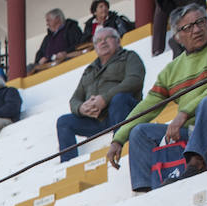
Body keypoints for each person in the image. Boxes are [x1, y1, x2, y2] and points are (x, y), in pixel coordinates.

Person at [107, 4, 207, 189]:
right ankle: (147, 191)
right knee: (140, 132)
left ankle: (196, 164)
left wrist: (183, 113)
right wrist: (118, 138)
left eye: (200, 22)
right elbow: (148, 106)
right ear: (177, 36)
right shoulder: (172, 69)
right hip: (190, 131)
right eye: (188, 27)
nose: (197, 30)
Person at [56, 27, 147, 161]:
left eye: (107, 38)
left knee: (119, 99)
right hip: (97, 119)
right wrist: (82, 108)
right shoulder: (90, 69)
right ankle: (67, 164)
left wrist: (105, 99)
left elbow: (135, 80)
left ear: (118, 41)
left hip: (124, 112)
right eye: (98, 41)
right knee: (63, 121)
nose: (103, 42)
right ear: (95, 47)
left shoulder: (129, 57)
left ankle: (121, 143)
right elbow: (75, 99)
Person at [33, 8, 87, 72]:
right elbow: (40, 53)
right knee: (28, 68)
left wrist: (66, 52)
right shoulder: (47, 38)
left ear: (57, 19)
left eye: (48, 20)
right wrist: (40, 60)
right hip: (47, 67)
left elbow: (79, 44)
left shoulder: (71, 29)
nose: (47, 24)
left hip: (65, 62)